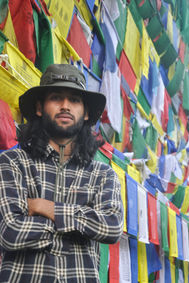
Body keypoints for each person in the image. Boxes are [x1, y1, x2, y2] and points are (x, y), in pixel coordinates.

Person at [0, 64, 124, 282]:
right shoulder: (13, 162)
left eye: (74, 100)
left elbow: (111, 227)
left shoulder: (103, 174)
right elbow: (9, 232)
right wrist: (80, 227)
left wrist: (45, 207)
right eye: (56, 97)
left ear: (86, 113)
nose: (65, 106)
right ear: (40, 108)